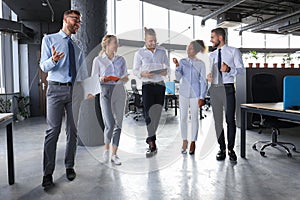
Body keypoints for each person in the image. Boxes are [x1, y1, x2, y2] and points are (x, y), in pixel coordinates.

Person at [40, 10, 86, 188]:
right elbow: (44, 66)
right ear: (66, 19)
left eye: (79, 22)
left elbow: (82, 71)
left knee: (72, 132)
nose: (78, 24)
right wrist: (53, 60)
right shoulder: (49, 39)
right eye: (75, 20)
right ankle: (47, 173)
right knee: (53, 131)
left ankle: (69, 166)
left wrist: (86, 89)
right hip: (55, 90)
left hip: (75, 91)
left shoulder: (77, 46)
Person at [207, 27, 244, 162]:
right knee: (217, 121)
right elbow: (210, 73)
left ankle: (231, 149)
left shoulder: (234, 51)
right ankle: (221, 148)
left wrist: (228, 69)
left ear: (220, 38)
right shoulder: (211, 55)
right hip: (215, 89)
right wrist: (209, 76)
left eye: (212, 37)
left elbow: (241, 71)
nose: (211, 40)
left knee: (230, 120)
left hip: (228, 88)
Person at [91, 35, 128, 165]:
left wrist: (121, 78)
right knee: (110, 123)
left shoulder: (121, 60)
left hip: (119, 91)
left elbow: (125, 78)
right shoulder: (98, 60)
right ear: (106, 45)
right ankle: (106, 150)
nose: (117, 46)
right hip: (105, 91)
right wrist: (103, 79)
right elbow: (94, 79)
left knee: (118, 124)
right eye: (115, 43)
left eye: (117, 43)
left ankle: (114, 154)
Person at [133, 27, 170, 158]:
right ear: (145, 40)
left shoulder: (162, 51)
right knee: (148, 114)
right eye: (150, 41)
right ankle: (152, 143)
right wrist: (143, 73)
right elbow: (135, 71)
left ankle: (151, 137)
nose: (153, 43)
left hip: (160, 85)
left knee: (157, 115)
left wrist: (165, 71)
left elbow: (167, 68)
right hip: (147, 85)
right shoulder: (139, 53)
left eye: (154, 41)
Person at [173, 40, 207, 155]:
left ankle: (193, 141)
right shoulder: (182, 62)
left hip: (195, 94)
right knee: (183, 117)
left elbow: (203, 81)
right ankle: (184, 140)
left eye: (191, 48)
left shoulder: (200, 64)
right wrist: (177, 66)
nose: (188, 50)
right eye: (188, 48)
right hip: (183, 93)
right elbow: (177, 78)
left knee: (194, 118)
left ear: (196, 50)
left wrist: (202, 96)